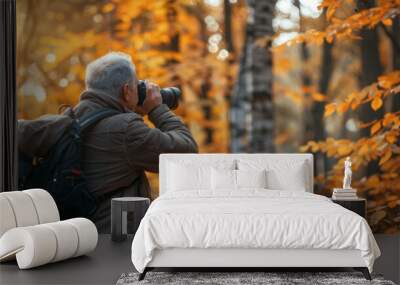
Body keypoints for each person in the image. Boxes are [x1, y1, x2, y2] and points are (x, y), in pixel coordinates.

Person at [71, 52, 198, 232]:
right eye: (136, 85)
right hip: (117, 239)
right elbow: (187, 152)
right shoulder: (126, 130)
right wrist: (157, 108)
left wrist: (128, 109)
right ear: (126, 90)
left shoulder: (72, 119)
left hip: (84, 232)